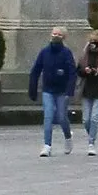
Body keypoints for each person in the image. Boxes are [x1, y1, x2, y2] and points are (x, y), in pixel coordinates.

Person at [29, 25, 78, 156]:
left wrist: (70, 91)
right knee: (48, 116)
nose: (55, 36)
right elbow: (35, 70)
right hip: (48, 90)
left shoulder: (66, 53)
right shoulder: (44, 52)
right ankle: (47, 145)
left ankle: (68, 137)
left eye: (59, 34)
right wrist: (32, 89)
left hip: (62, 91)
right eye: (54, 33)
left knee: (62, 117)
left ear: (64, 37)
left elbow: (72, 72)